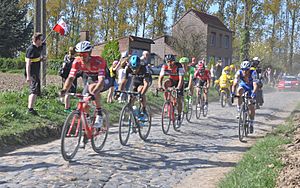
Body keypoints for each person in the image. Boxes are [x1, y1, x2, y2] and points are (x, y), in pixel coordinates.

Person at [60, 41, 112, 128]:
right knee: (84, 104)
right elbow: (70, 78)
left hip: (105, 79)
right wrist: (64, 90)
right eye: (80, 55)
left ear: (89, 53)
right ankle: (88, 122)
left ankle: (99, 114)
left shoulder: (99, 61)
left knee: (92, 88)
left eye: (84, 55)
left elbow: (101, 80)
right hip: (91, 79)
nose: (82, 57)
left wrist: (93, 93)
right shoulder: (77, 62)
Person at [118, 55, 152, 121]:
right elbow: (124, 81)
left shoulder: (144, 68)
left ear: (139, 65)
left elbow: (146, 84)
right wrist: (119, 92)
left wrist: (141, 95)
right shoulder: (128, 68)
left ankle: (143, 110)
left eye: (136, 68)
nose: (134, 70)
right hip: (136, 80)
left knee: (140, 90)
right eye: (133, 68)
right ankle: (133, 120)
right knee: (132, 96)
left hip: (145, 81)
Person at [231, 60, 258, 133]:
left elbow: (255, 85)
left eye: (246, 70)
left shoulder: (253, 73)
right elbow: (234, 83)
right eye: (243, 70)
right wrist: (232, 93)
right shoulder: (239, 73)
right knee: (239, 91)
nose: (244, 72)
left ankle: (251, 122)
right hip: (243, 85)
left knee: (251, 106)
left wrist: (253, 94)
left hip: (251, 87)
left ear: (249, 69)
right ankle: (239, 109)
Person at [158, 54, 184, 122]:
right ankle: (167, 102)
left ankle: (179, 115)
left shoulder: (179, 66)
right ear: (166, 62)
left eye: (171, 62)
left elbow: (181, 79)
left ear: (174, 62)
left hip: (179, 82)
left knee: (178, 100)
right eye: (168, 61)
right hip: (172, 80)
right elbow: (160, 78)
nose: (169, 63)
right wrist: (160, 86)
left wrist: (178, 87)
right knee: (165, 83)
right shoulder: (164, 66)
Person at [25, 33, 45, 115]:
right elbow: (28, 63)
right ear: (36, 40)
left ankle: (31, 108)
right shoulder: (31, 49)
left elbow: (35, 59)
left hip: (36, 72)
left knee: (35, 90)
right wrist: (28, 76)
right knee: (34, 90)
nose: (42, 41)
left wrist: (41, 59)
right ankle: (30, 109)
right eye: (40, 39)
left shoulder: (37, 48)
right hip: (32, 73)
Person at [59, 47, 77, 113]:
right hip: (70, 76)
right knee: (68, 92)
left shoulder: (66, 57)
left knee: (65, 89)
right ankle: (67, 108)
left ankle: (62, 100)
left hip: (64, 75)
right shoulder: (74, 60)